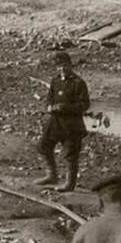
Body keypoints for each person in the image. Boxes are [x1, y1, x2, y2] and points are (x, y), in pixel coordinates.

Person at [36, 48, 91, 192]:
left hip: (72, 125)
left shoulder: (78, 83)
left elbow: (84, 105)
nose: (62, 69)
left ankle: (69, 184)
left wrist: (64, 107)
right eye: (59, 66)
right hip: (54, 123)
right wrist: (48, 106)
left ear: (70, 66)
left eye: (65, 66)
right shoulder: (55, 81)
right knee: (44, 146)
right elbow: (49, 98)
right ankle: (51, 175)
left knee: (70, 155)